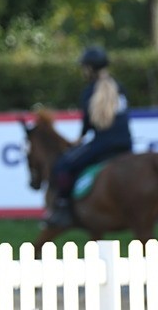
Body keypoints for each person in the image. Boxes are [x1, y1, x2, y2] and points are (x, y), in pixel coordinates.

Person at [45, 46, 133, 228]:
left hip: (103, 144)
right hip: (126, 143)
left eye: (84, 67)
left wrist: (80, 137)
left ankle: (62, 207)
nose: (83, 71)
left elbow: (89, 124)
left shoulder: (90, 91)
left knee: (64, 165)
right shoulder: (119, 87)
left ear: (91, 69)